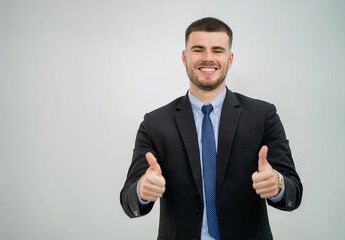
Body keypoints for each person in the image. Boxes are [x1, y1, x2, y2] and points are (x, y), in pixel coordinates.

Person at [120, 17, 302, 240]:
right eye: (198, 50)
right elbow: (128, 200)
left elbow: (294, 191)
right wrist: (141, 190)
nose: (208, 58)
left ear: (230, 58)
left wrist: (278, 184)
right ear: (184, 57)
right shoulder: (155, 123)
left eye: (217, 50)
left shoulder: (263, 116)